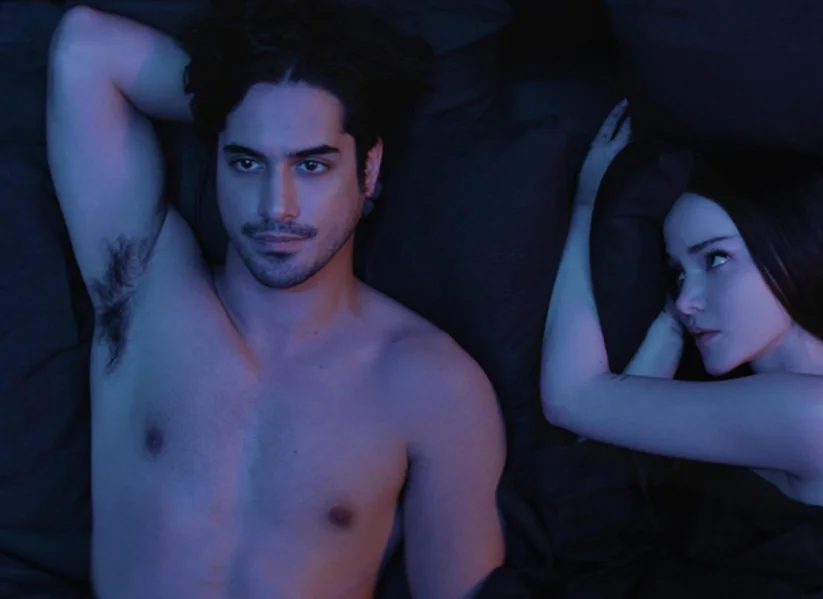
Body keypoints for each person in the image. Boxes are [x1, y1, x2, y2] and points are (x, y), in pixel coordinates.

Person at [46, 2, 506, 598]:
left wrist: (269, 109)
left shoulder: (435, 386)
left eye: (311, 164)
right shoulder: (143, 296)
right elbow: (85, 47)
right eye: (246, 161)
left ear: (368, 171)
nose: (275, 207)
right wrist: (236, 98)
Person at [542, 99, 823, 511]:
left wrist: (585, 205)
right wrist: (670, 329)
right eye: (678, 274)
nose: (685, 301)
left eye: (715, 259)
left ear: (799, 250)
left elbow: (571, 399)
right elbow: (601, 439)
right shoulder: (816, 401)